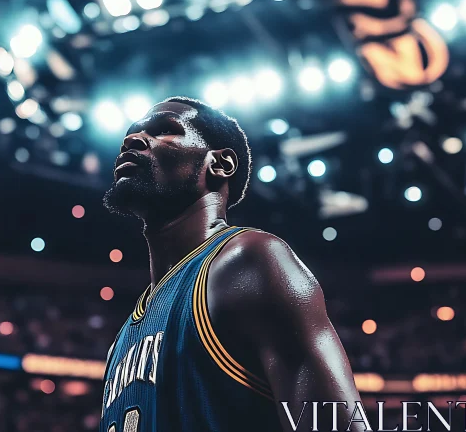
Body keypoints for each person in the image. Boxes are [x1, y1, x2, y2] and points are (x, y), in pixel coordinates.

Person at [99, 97, 362, 432]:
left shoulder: (249, 261)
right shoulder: (119, 342)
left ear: (220, 164)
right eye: (132, 132)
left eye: (164, 130)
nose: (132, 139)